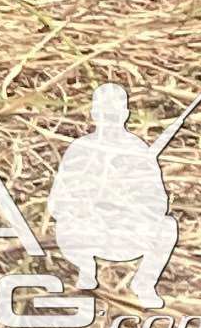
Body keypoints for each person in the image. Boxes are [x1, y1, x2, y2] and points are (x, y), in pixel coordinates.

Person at [46, 84, 180, 307]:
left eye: (114, 114)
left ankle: (144, 284)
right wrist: (87, 202)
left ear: (125, 115)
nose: (109, 120)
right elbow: (57, 201)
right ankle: (85, 271)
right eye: (104, 114)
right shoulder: (80, 148)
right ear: (93, 114)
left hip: (125, 232)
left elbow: (159, 203)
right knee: (64, 226)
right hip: (88, 231)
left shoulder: (138, 150)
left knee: (167, 227)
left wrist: (128, 200)